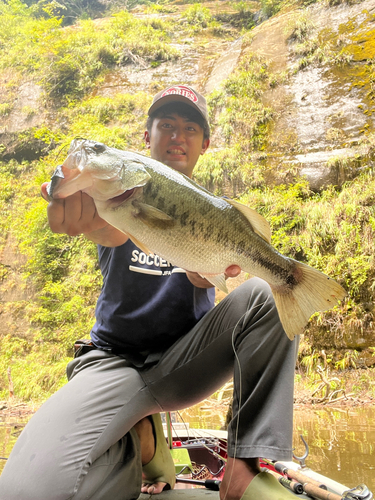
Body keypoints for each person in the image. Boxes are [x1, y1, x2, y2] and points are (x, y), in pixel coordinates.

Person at [0, 85, 299, 500]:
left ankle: (244, 464)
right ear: (147, 137)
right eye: (166, 125)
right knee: (25, 492)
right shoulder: (115, 198)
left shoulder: (217, 213)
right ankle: (142, 443)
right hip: (113, 361)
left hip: (184, 364)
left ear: (205, 144)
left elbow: (204, 280)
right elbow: (106, 228)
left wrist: (208, 270)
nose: (178, 135)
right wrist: (74, 204)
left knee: (266, 292)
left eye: (190, 128)